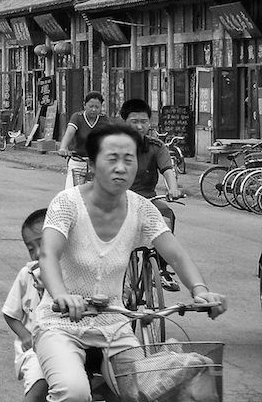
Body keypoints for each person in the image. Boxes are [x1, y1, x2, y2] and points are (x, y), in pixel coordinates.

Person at [35, 122, 227, 402]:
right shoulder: (66, 204)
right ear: (91, 165)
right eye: (112, 159)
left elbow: (176, 254)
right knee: (73, 392)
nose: (122, 167)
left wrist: (200, 290)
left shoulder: (142, 209)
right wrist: (62, 295)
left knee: (147, 392)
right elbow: (48, 254)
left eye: (129, 159)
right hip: (61, 323)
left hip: (114, 325)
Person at [120, 98, 183, 292]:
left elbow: (167, 169)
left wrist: (173, 189)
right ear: (124, 122)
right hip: (120, 201)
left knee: (167, 214)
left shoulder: (156, 146)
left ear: (149, 122)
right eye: (134, 121)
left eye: (144, 121)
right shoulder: (114, 145)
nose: (140, 126)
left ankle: (161, 268)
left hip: (148, 200)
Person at [3, 209, 49, 402]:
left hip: (69, 342)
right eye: (31, 248)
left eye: (43, 243)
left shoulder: (72, 270)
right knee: (40, 383)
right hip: (35, 349)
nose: (37, 253)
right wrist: (24, 335)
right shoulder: (27, 275)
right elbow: (10, 313)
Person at [57, 92, 110, 189]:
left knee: (99, 193)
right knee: (71, 192)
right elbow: (69, 133)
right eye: (90, 106)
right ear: (84, 105)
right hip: (77, 161)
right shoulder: (77, 117)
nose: (93, 109)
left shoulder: (104, 120)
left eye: (97, 107)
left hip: (96, 163)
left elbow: (110, 137)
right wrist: (63, 148)